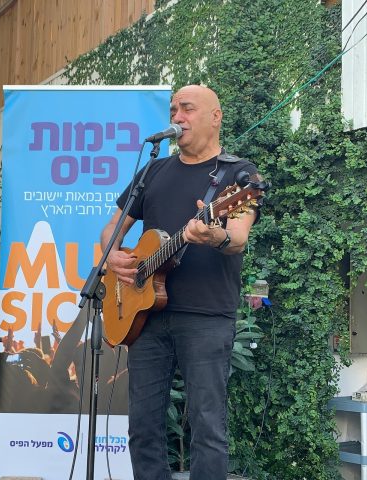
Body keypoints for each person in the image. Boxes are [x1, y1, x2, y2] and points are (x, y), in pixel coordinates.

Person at [100, 84, 261, 480]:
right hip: (146, 317)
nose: (177, 117)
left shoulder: (240, 176)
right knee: (142, 427)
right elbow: (111, 230)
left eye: (187, 108)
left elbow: (237, 237)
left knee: (207, 427)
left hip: (206, 316)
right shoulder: (153, 170)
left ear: (215, 117)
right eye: (173, 110)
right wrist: (113, 256)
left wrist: (214, 235)